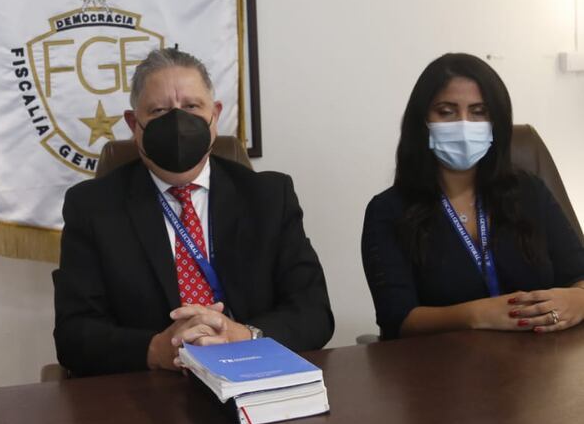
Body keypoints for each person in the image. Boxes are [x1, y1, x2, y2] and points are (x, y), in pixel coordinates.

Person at [53, 48, 334, 376]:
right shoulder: (93, 207)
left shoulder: (269, 197)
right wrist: (155, 349)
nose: (177, 122)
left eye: (191, 107)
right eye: (159, 110)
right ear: (133, 123)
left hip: (254, 376)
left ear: (215, 115)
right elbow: (74, 334)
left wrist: (244, 336)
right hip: (148, 388)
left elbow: (314, 312)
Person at [362, 53, 584, 340]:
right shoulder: (388, 210)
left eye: (479, 112)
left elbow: (578, 273)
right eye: (446, 112)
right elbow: (397, 318)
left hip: (542, 357)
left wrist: (577, 300)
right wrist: (477, 315)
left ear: (496, 123)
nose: (464, 125)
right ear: (423, 121)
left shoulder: (529, 191)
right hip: (441, 363)